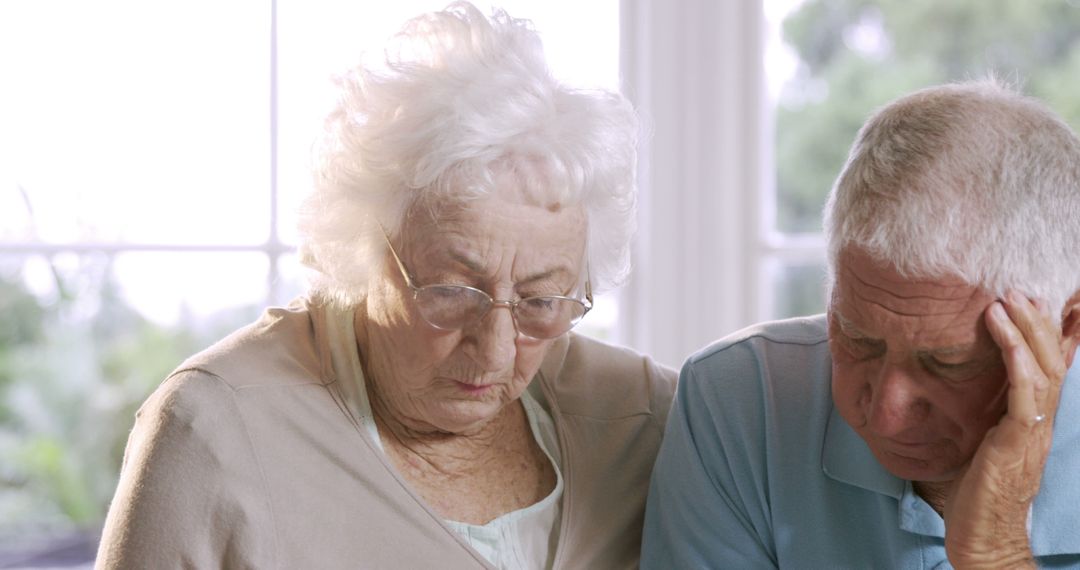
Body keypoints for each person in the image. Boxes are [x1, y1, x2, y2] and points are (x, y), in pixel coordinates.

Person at [96, 3, 675, 568]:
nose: (496, 350)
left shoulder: (649, 419)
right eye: (451, 291)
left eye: (541, 301)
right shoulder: (216, 432)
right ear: (362, 249)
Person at [642, 80, 1080, 568]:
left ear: (1066, 328)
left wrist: (996, 553)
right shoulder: (739, 400)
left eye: (946, 362)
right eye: (857, 338)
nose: (886, 413)